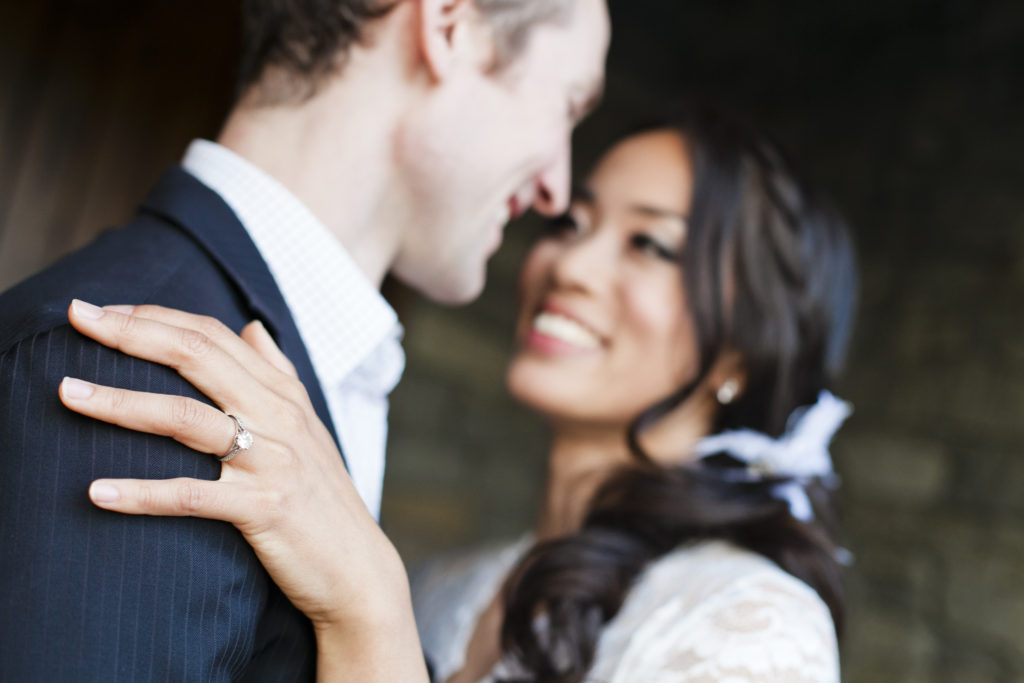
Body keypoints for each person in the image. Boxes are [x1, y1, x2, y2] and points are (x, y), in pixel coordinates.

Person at [56, 102, 857, 681]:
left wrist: (369, 609)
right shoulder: (451, 586)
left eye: (649, 244)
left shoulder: (754, 626)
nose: (568, 266)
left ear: (742, 354)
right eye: (572, 224)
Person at [0, 0, 609, 679]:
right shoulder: (131, 371)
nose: (557, 186)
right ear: (448, 26)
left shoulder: (307, 368)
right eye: (569, 105)